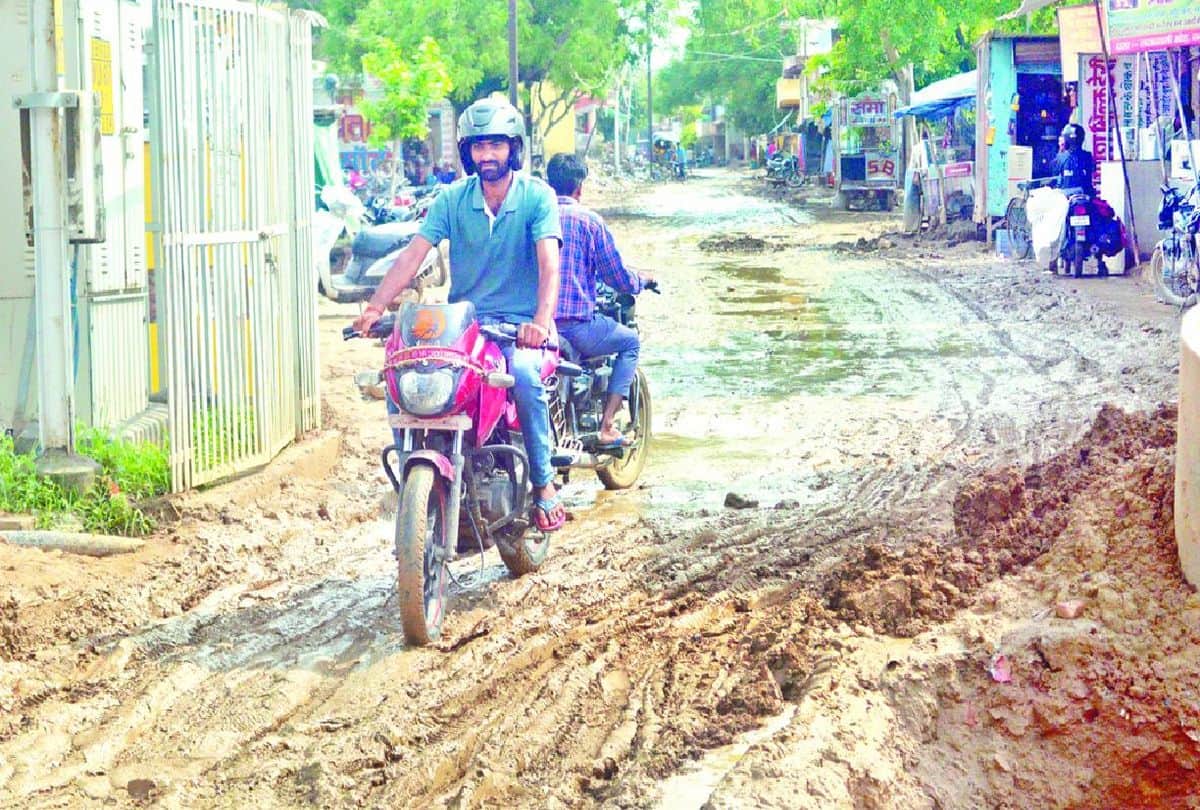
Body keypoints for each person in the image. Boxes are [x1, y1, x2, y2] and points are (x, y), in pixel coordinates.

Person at [353, 98, 567, 533]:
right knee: (403, 373)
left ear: (514, 148)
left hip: (521, 328)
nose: (487, 155)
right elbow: (413, 256)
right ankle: (417, 474)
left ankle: (543, 484)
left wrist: (540, 322)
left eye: (496, 146)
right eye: (478, 146)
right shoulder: (452, 200)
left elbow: (549, 265)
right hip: (468, 328)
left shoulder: (537, 197)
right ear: (466, 151)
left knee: (524, 377)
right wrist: (376, 306)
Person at [545, 152, 652, 448]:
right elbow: (616, 275)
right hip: (575, 329)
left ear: (549, 184)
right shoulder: (588, 221)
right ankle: (606, 426)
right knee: (630, 341)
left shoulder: (534, 217)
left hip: (537, 327)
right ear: (579, 187)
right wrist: (641, 281)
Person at [1052, 123, 1095, 196]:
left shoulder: (1060, 157)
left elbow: (1054, 180)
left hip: (1066, 199)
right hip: (1084, 196)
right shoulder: (1087, 156)